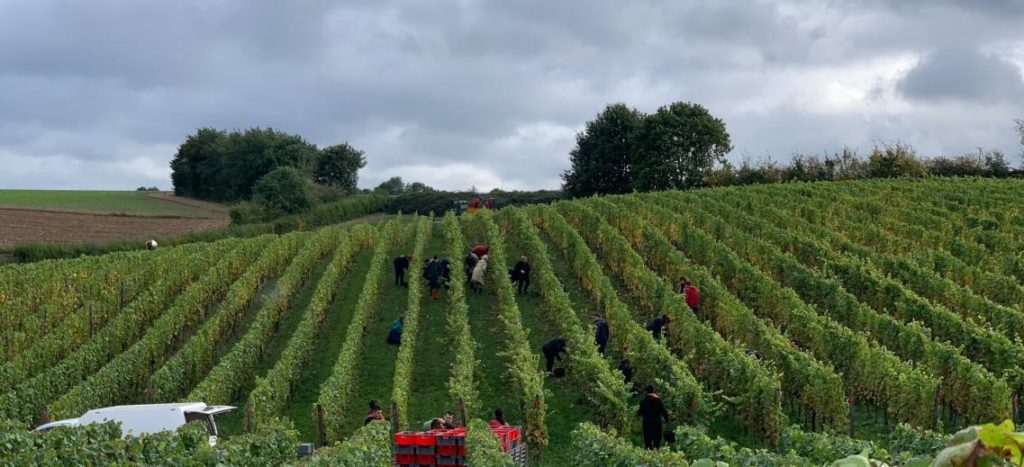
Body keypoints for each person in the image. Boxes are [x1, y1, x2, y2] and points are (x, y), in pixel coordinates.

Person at [637, 384, 669, 450]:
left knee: (648, 442)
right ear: (653, 391)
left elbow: (639, 412)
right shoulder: (658, 400)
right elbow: (663, 411)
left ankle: (649, 456)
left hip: (647, 424)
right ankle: (656, 455)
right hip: (657, 424)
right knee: (657, 442)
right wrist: (667, 420)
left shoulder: (643, 401)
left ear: (646, 392)